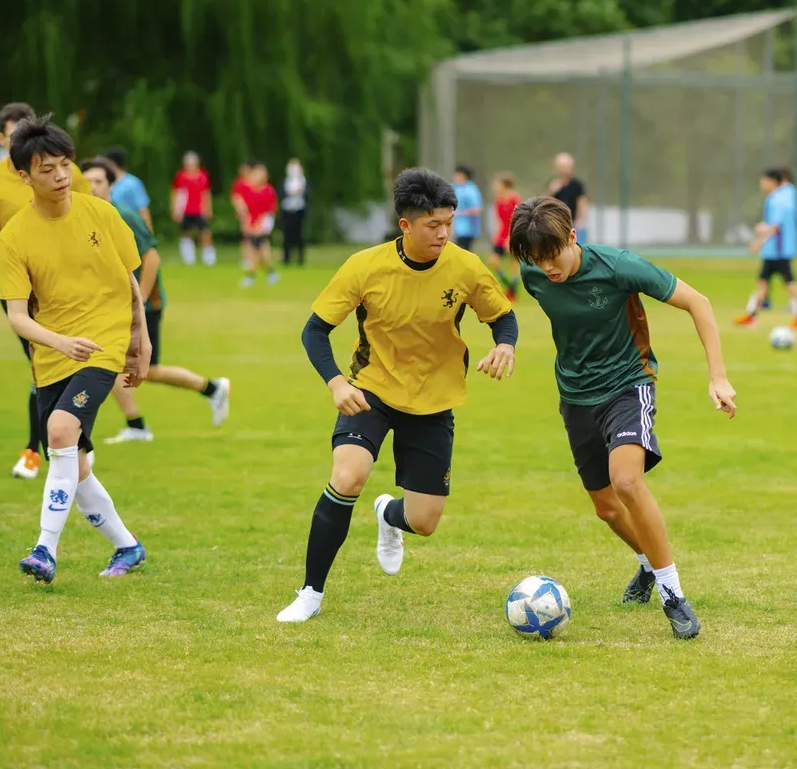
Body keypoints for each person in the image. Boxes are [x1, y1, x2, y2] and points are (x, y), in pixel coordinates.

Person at [277, 168, 519, 623]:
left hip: (434, 400)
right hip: (372, 390)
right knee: (347, 477)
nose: (444, 233)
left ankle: (389, 515)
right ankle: (310, 592)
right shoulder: (364, 266)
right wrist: (336, 382)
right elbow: (315, 331)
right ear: (405, 225)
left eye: (449, 222)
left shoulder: (466, 267)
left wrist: (505, 345)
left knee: (425, 521)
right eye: (433, 225)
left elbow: (503, 318)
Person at [509, 196, 736, 640]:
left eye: (552, 256)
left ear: (572, 237)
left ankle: (673, 594)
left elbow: (699, 302)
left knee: (627, 482)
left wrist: (718, 377)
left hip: (628, 385)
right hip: (574, 396)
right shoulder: (533, 272)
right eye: (536, 260)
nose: (547, 268)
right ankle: (648, 564)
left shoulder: (617, 267)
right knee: (607, 508)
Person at [0, 115, 151, 583]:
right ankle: (128, 546)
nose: (61, 176)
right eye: (47, 169)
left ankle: (45, 549)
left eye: (65, 165)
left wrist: (140, 339)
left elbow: (129, 280)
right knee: (73, 464)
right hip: (54, 354)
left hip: (103, 344)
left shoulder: (102, 214)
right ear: (24, 175)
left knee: (60, 430)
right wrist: (60, 342)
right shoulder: (16, 236)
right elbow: (18, 316)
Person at [0, 102, 94, 480]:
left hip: (70, 289)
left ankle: (65, 448)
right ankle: (48, 450)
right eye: (12, 135)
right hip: (22, 293)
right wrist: (15, 272)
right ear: (2, 139)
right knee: (43, 369)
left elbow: (93, 219)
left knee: (75, 367)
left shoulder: (64, 172)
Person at [82, 158, 231, 443]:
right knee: (116, 363)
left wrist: (138, 301)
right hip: (112, 305)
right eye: (86, 181)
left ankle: (210, 389)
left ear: (111, 185)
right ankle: (140, 424)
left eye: (98, 181)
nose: (92, 187)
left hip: (142, 305)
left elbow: (151, 258)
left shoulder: (122, 215)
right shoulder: (91, 216)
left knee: (139, 368)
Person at [735, 167, 797, 330]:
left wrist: (759, 240)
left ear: (772, 182)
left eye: (764, 181)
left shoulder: (777, 199)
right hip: (774, 250)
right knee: (763, 282)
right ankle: (752, 315)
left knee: (788, 282)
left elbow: (775, 226)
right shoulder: (781, 197)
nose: (761, 185)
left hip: (778, 251)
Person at [236, 161, 279, 287]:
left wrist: (259, 225)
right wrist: (247, 221)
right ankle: (252, 274)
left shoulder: (268, 191)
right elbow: (244, 206)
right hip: (251, 221)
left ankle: (269, 272)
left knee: (261, 247)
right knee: (251, 248)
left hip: (264, 220)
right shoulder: (249, 190)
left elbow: (269, 211)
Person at [172, 151, 214, 266]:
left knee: (204, 232)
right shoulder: (180, 176)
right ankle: (189, 258)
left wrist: (208, 208)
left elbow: (206, 193)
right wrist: (175, 209)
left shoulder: (203, 176)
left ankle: (208, 257)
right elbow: (176, 193)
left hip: (199, 209)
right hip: (185, 210)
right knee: (186, 233)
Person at [100, 147, 154, 234]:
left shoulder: (132, 183)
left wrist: (148, 234)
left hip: (131, 229)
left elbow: (143, 210)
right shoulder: (104, 182)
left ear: (112, 163)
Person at [488, 172, 521, 300]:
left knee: (513, 263)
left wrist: (511, 237)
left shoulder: (514, 198)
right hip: (502, 235)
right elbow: (500, 221)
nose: (495, 187)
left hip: (513, 233)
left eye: (497, 184)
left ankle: (513, 292)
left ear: (504, 185)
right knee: (493, 260)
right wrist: (497, 236)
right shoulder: (498, 200)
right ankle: (509, 285)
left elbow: (517, 218)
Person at [550, 153, 589, 239]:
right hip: (557, 223)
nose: (563, 170)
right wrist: (552, 192)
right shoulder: (553, 183)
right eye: (561, 167)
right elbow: (545, 202)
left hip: (574, 222)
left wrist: (580, 220)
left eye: (566, 166)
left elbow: (582, 202)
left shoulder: (577, 185)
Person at [281, 158, 309, 265]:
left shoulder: (303, 180)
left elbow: (308, 195)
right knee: (287, 235)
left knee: (300, 235)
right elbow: (282, 193)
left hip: (299, 210)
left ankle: (300, 259)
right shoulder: (286, 180)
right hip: (287, 209)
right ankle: (286, 258)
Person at [452, 164, 483, 251]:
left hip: (467, 230)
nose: (455, 176)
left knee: (462, 253)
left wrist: (459, 213)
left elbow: (477, 209)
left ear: (463, 175)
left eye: (457, 174)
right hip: (457, 229)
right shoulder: (456, 187)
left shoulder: (471, 190)